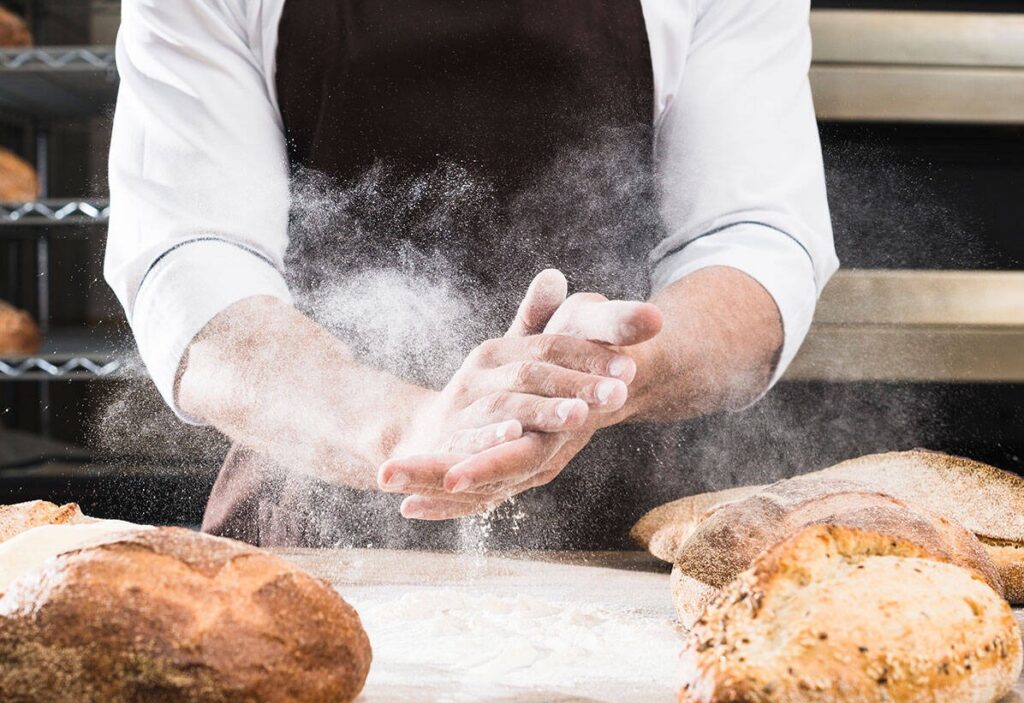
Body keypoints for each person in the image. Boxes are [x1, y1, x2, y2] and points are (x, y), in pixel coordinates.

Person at [105, 0, 837, 549]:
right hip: (312, 512)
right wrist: (403, 426)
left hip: (626, 533)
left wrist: (604, 374)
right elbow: (192, 262)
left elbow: (752, 241)